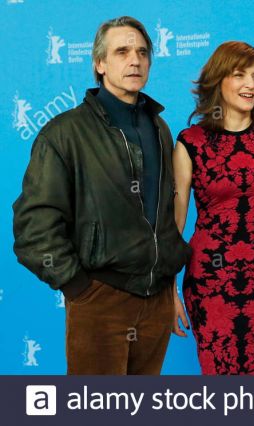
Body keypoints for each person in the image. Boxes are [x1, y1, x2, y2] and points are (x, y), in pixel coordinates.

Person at [12, 16, 190, 375]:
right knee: (96, 405)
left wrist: (168, 283)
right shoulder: (64, 133)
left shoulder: (158, 127)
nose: (135, 60)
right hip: (100, 300)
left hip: (155, 301)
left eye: (142, 52)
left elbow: (162, 214)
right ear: (100, 64)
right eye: (122, 52)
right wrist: (79, 287)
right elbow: (34, 226)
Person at [173, 41, 254, 375]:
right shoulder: (190, 142)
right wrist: (168, 289)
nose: (250, 85)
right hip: (210, 283)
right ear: (218, 80)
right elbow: (174, 225)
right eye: (239, 75)